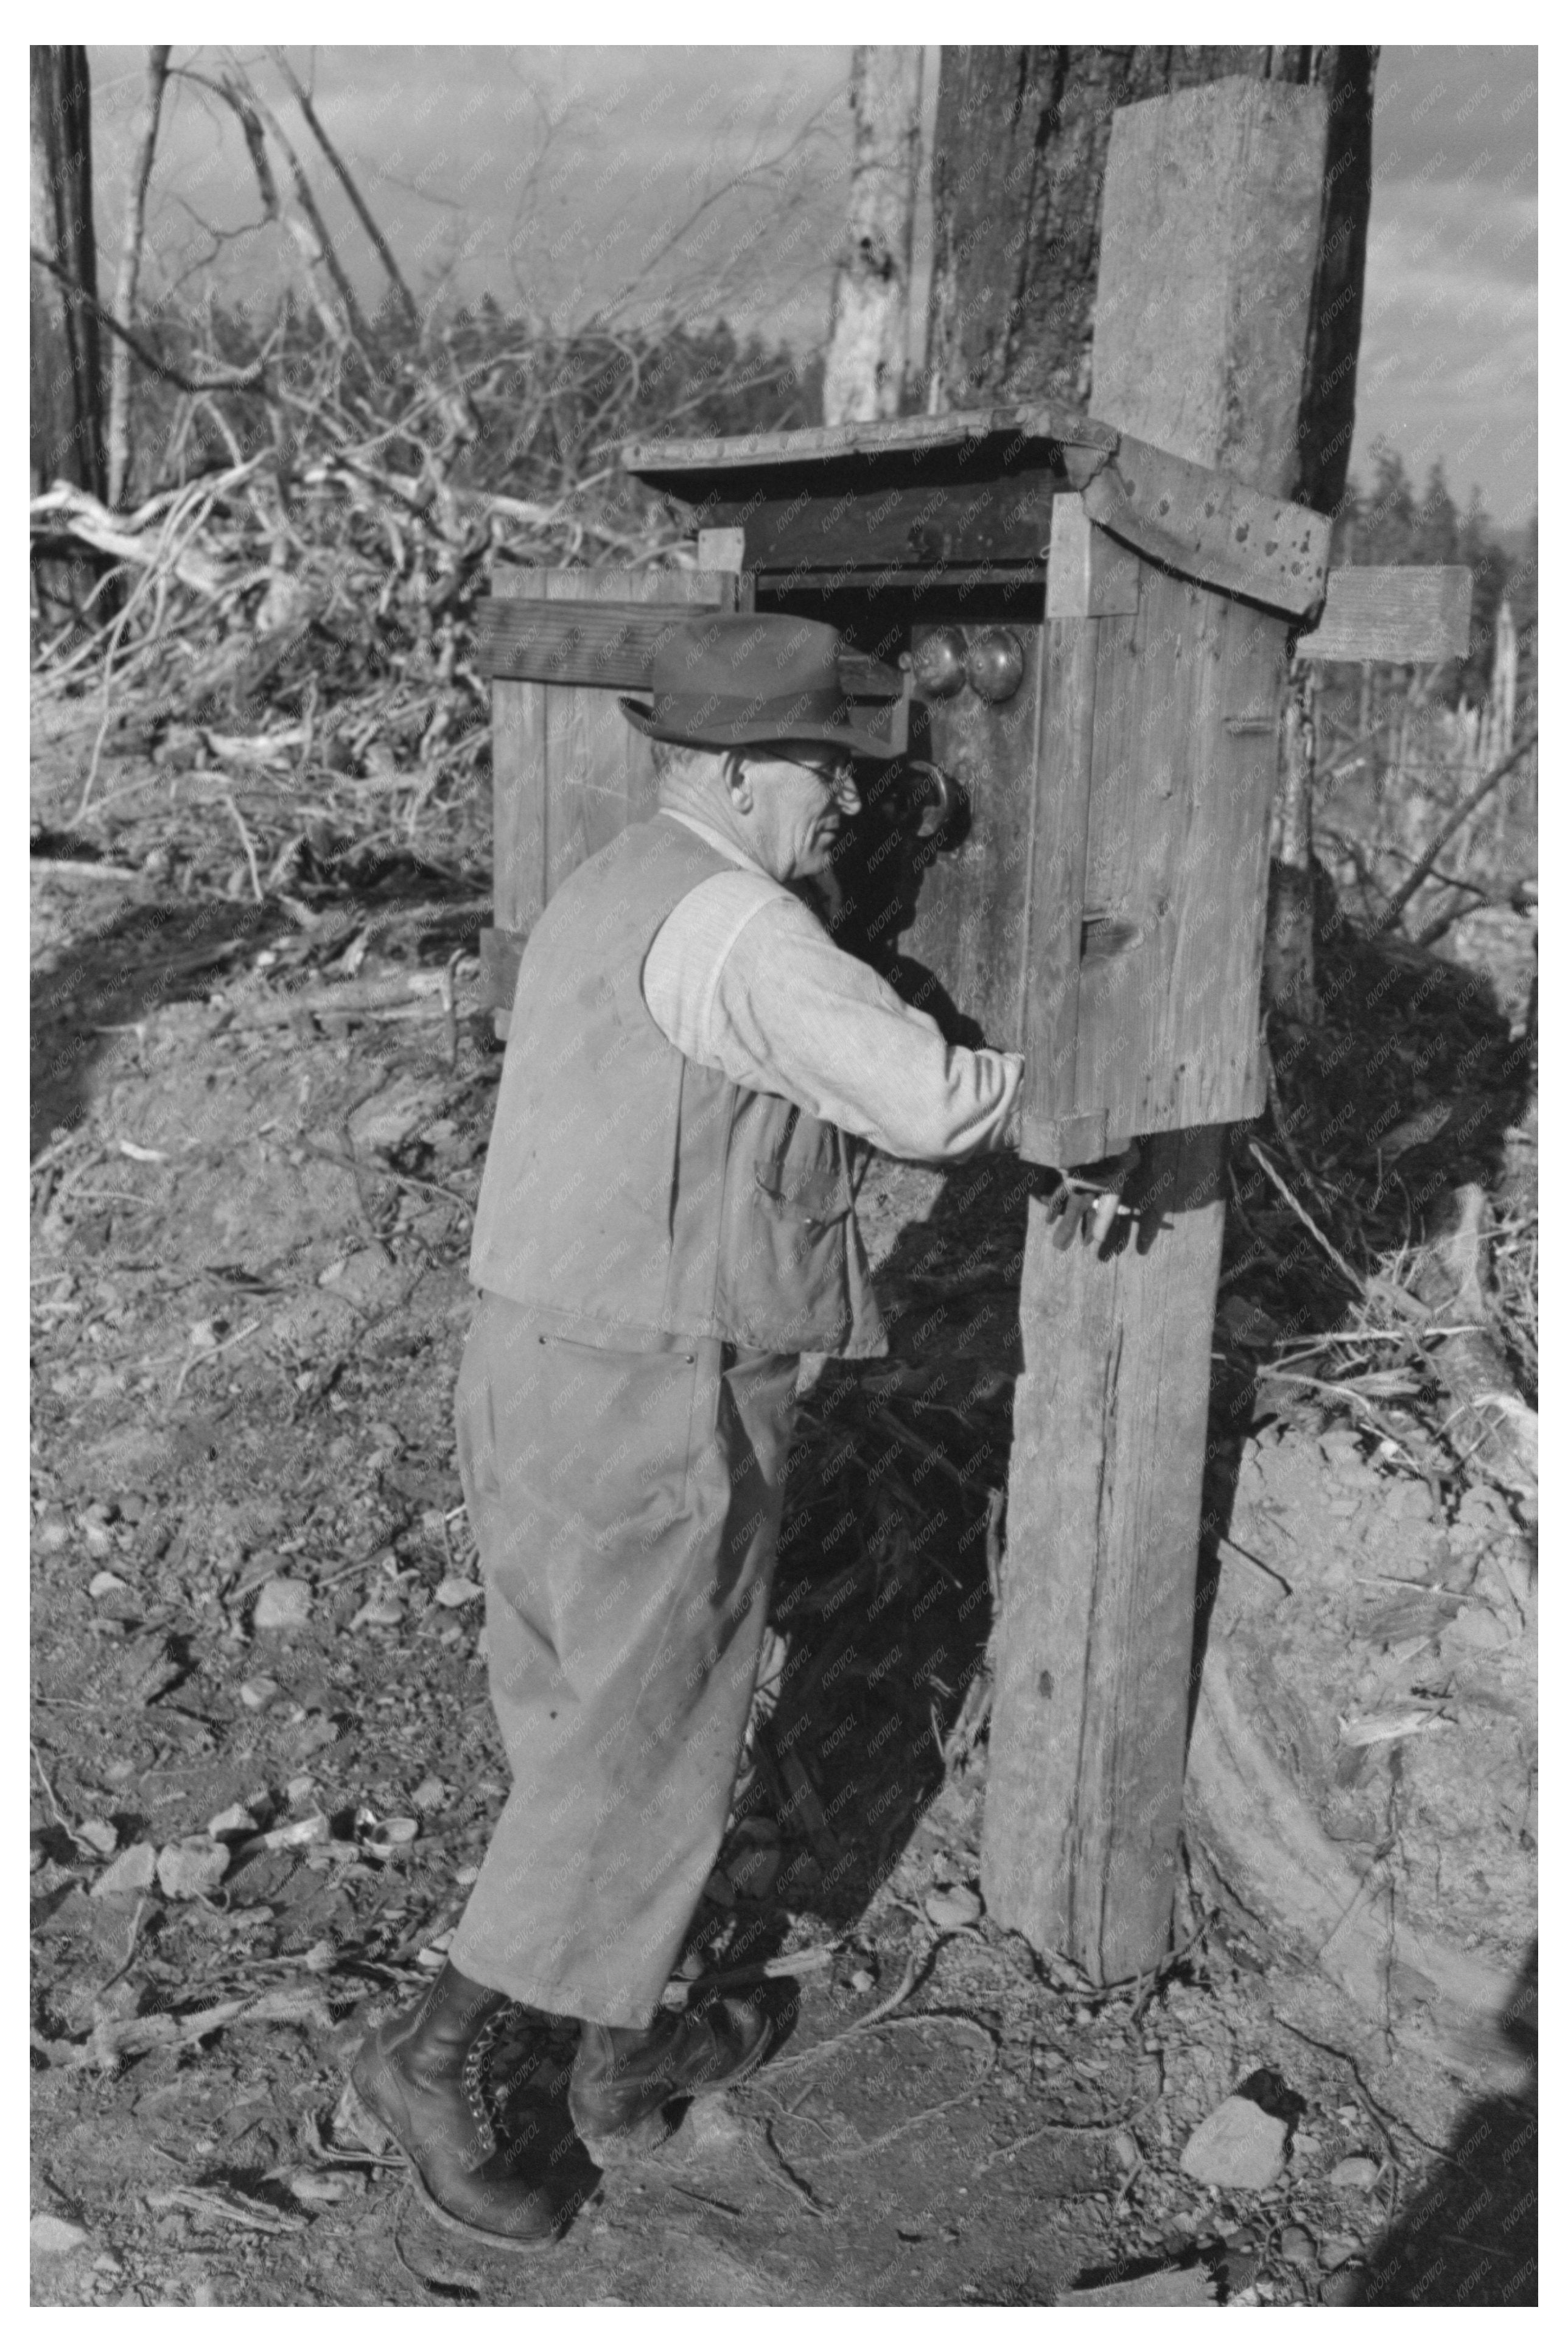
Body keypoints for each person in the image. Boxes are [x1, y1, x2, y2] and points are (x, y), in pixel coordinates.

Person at [349, 613, 1134, 2250]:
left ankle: (628, 2044)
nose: (833, 805)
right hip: (658, 1379)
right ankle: (441, 2056)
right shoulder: (742, 926)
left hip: (529, 1356)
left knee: (580, 1720)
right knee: (650, 1736)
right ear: (725, 771)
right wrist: (1069, 1083)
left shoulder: (617, 878)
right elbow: (918, 1101)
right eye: (810, 773)